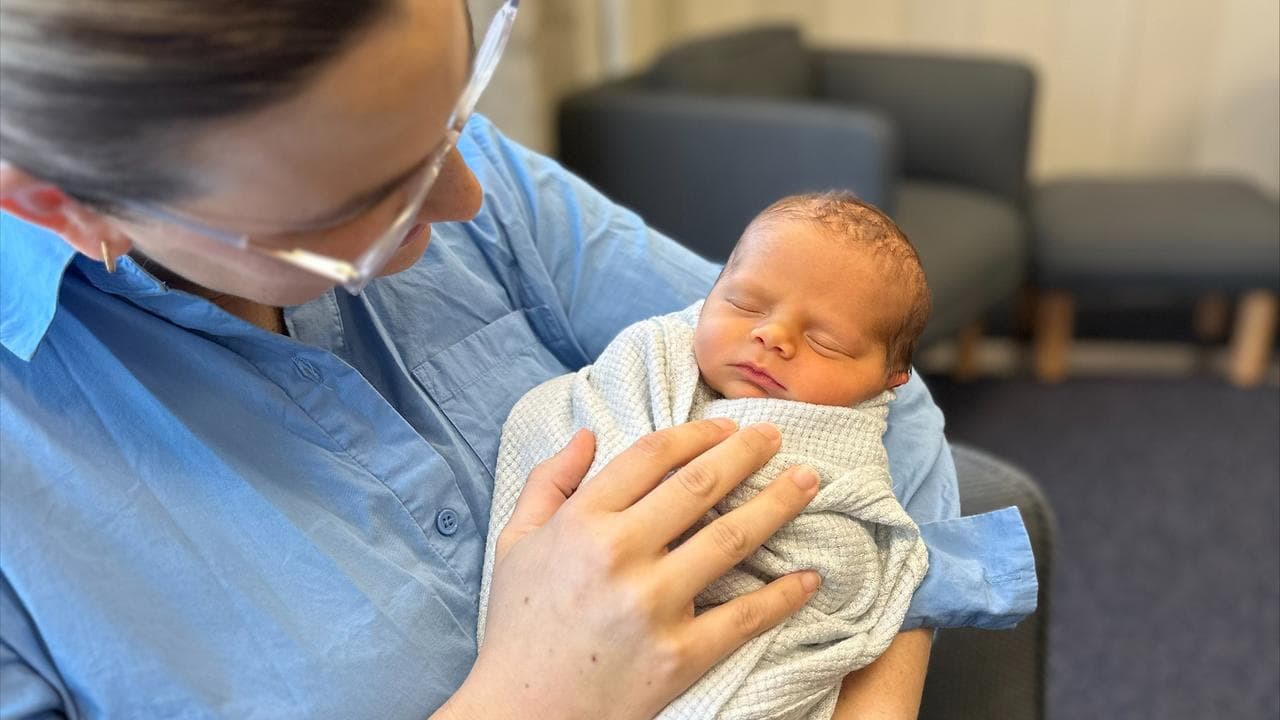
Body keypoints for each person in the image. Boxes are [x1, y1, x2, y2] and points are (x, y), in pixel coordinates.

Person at [0, 1, 1037, 718]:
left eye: (459, 113)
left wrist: (871, 693)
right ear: (53, 204)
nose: (463, 198)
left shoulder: (459, 173)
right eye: (370, 205)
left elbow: (877, 409)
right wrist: (535, 699)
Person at [480, 191, 951, 719]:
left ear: (889, 381)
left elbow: (847, 565)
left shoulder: (850, 437)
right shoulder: (657, 357)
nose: (771, 335)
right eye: (746, 305)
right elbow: (582, 425)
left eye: (827, 342)